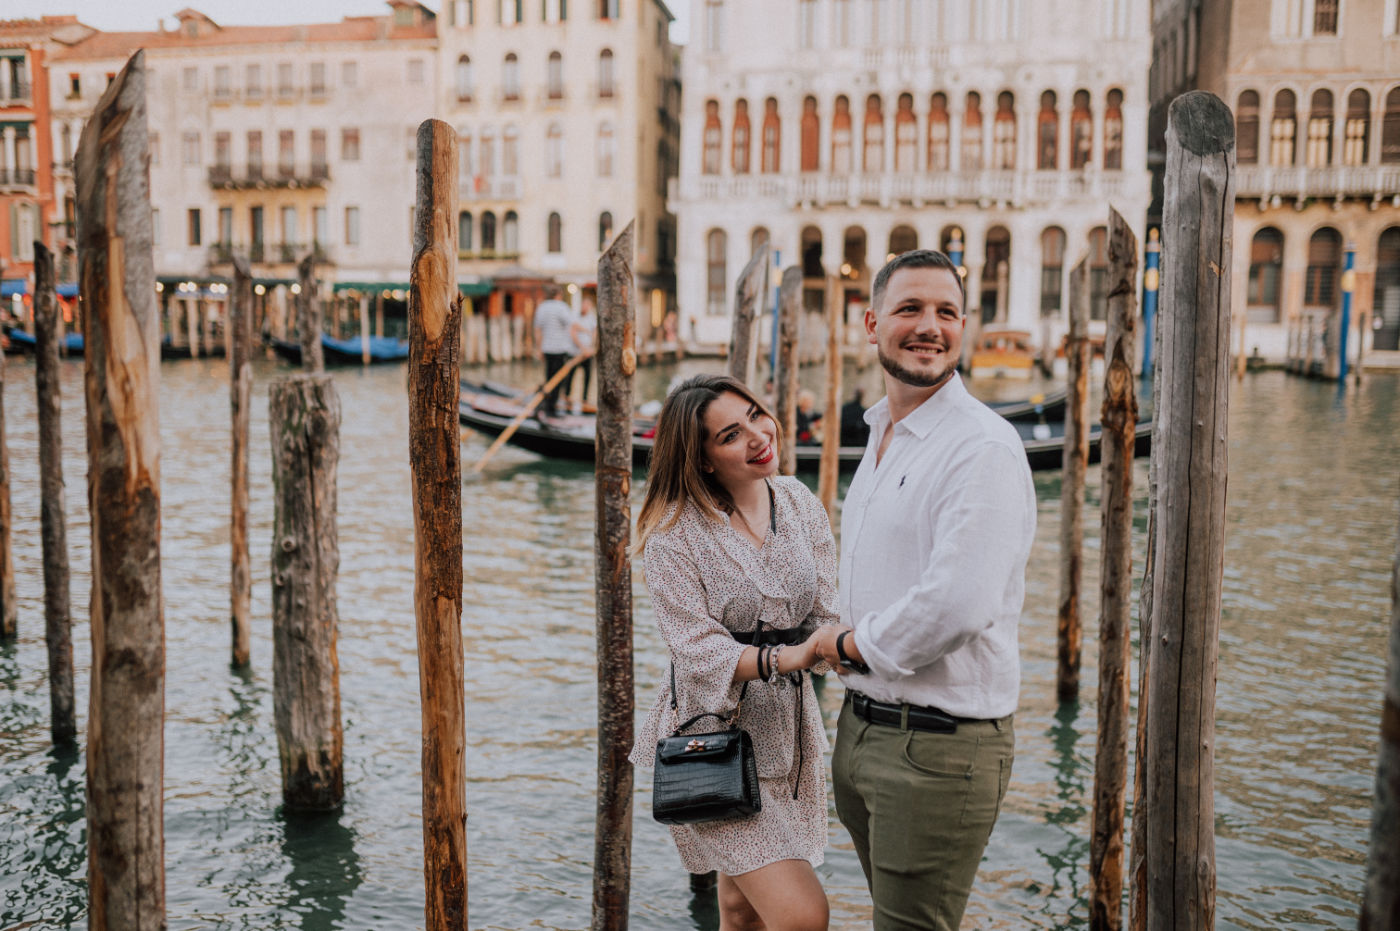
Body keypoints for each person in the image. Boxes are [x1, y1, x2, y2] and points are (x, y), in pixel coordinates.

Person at [809, 250, 1037, 930]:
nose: (929, 325)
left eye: (946, 311)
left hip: (936, 747)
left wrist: (849, 643)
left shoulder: (982, 448)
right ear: (872, 322)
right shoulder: (883, 434)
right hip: (865, 730)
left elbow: (958, 603)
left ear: (964, 326)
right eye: (910, 308)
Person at [630, 374, 839, 931]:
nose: (758, 435)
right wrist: (790, 658)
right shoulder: (673, 536)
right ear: (700, 459)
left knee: (741, 912)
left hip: (788, 738)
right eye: (730, 434)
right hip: (710, 740)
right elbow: (697, 652)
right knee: (802, 916)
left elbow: (828, 607)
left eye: (755, 415)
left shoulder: (797, 500)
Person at [532, 285, 576, 418]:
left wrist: (539, 349)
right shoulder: (561, 307)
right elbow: (571, 324)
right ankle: (550, 409)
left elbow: (537, 330)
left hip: (547, 348)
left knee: (549, 378)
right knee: (558, 381)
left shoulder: (542, 307)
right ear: (558, 295)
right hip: (559, 349)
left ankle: (546, 403)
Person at [569, 298, 597, 411]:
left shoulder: (592, 318)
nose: (585, 307)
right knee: (570, 376)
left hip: (588, 353)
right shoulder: (574, 315)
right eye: (584, 305)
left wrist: (590, 347)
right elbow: (573, 332)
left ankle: (584, 399)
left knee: (587, 377)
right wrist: (582, 348)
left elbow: (594, 333)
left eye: (587, 305)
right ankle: (567, 397)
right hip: (575, 352)